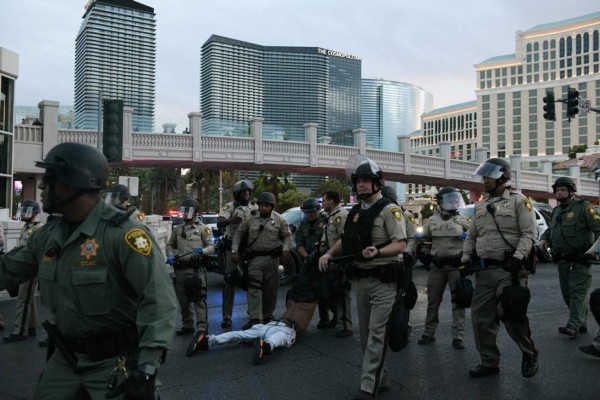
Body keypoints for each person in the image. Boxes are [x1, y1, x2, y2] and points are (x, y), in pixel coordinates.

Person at [0, 142, 178, 399]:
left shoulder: (123, 234)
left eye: (50, 179)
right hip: (65, 359)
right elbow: (8, 269)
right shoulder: (49, 235)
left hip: (116, 363)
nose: (41, 186)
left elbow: (159, 301)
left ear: (73, 184)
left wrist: (147, 369)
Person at [319, 155, 407, 400]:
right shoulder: (355, 212)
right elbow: (345, 240)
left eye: (367, 181)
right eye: (359, 181)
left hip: (384, 280)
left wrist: (378, 251)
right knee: (366, 336)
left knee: (377, 334)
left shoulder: (390, 210)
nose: (362, 185)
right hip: (361, 280)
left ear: (378, 183)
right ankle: (383, 378)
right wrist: (328, 253)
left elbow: (401, 244)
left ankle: (368, 387)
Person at [461, 157, 538, 379]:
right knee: (481, 318)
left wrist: (517, 258)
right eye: (484, 176)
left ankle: (529, 353)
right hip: (484, 270)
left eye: (489, 176)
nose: (485, 180)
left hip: (510, 269)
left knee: (512, 315)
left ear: (503, 177)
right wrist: (466, 259)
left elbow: (528, 234)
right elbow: (472, 236)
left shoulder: (519, 201)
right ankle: (489, 362)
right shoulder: (481, 205)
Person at [538, 176, 600, 337]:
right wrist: (544, 239)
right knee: (567, 294)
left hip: (580, 259)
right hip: (562, 260)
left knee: (578, 292)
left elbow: (598, 229)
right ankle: (581, 322)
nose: (559, 193)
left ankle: (573, 324)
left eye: (563, 190)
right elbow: (551, 230)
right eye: (557, 190)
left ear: (572, 191)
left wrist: (594, 252)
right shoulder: (557, 210)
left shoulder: (584, 207)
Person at [417, 187, 470, 349]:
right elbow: (420, 236)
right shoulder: (432, 221)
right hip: (437, 266)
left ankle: (458, 336)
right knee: (433, 301)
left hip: (455, 265)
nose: (452, 203)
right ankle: (428, 333)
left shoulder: (463, 220)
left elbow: (475, 236)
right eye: (449, 200)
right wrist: (417, 240)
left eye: (455, 200)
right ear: (440, 202)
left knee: (458, 302)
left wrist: (467, 235)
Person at [232, 192, 292, 330]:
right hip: (255, 259)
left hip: (272, 260)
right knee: (254, 288)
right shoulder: (250, 218)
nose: (264, 208)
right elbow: (238, 233)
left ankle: (267, 314)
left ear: (272, 207)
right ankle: (255, 318)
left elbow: (287, 236)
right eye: (261, 205)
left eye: (267, 206)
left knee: (271, 289)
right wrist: (235, 251)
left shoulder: (279, 219)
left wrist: (286, 249)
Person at [166, 198, 214, 356]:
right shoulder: (177, 229)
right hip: (180, 270)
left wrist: (204, 251)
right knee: (183, 299)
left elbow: (211, 246)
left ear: (195, 212)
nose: (185, 214)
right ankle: (187, 325)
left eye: (188, 211)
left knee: (199, 299)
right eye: (183, 210)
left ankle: (202, 329)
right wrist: (170, 255)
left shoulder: (203, 229)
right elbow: (169, 245)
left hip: (196, 270)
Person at [217, 179, 258, 329]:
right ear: (237, 194)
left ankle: (253, 315)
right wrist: (231, 220)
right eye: (243, 192)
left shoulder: (255, 207)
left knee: (252, 281)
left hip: (249, 249)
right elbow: (219, 222)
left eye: (248, 192)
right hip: (231, 249)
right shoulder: (230, 206)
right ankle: (227, 317)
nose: (246, 194)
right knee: (229, 281)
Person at [2, 200, 44, 343]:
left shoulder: (39, 229)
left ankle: (20, 330)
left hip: (30, 269)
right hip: (24, 267)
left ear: (35, 212)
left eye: (27, 211)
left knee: (23, 299)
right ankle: (31, 326)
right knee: (28, 299)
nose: (24, 214)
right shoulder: (26, 227)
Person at [320, 191, 352, 338]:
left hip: (341, 261)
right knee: (333, 293)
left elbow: (344, 239)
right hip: (332, 260)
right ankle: (336, 319)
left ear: (331, 201)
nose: (322, 203)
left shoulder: (341, 216)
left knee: (343, 294)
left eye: (324, 200)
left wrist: (330, 253)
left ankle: (347, 326)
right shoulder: (332, 216)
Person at [296, 197, 331, 328]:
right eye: (307, 212)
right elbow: (299, 243)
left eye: (312, 212)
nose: (310, 215)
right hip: (308, 262)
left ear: (318, 210)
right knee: (307, 291)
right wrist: (306, 256)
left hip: (322, 260)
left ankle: (325, 318)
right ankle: (301, 319)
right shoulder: (302, 225)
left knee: (324, 290)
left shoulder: (326, 221)